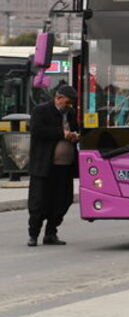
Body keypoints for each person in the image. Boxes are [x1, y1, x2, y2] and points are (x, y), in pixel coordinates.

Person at [26, 84, 80, 246]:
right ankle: (33, 234)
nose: (68, 106)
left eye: (71, 103)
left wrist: (75, 136)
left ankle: (51, 232)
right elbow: (37, 131)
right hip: (44, 166)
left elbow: (75, 129)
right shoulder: (41, 111)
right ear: (58, 98)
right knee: (39, 201)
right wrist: (61, 133)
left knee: (63, 200)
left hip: (65, 167)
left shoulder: (70, 113)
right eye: (67, 102)